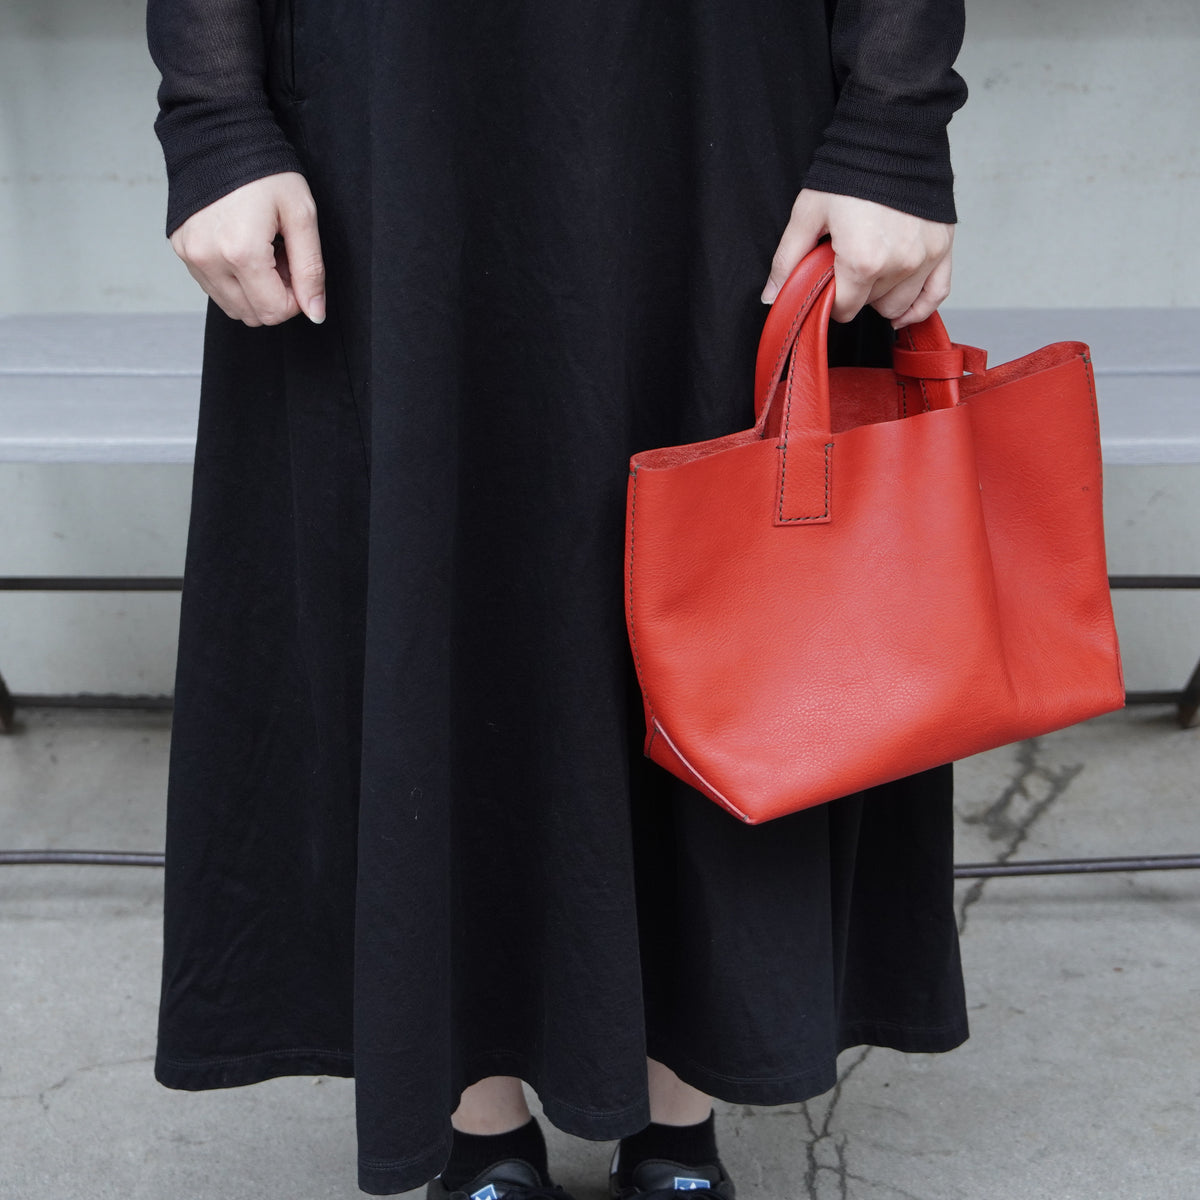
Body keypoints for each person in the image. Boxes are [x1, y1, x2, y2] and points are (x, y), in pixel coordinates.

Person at [146, 3, 970, 1197]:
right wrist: (214, 116)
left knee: (737, 587)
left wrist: (893, 121)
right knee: (432, 574)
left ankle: (681, 1119)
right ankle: (478, 1121)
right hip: (386, 104)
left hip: (724, 85)